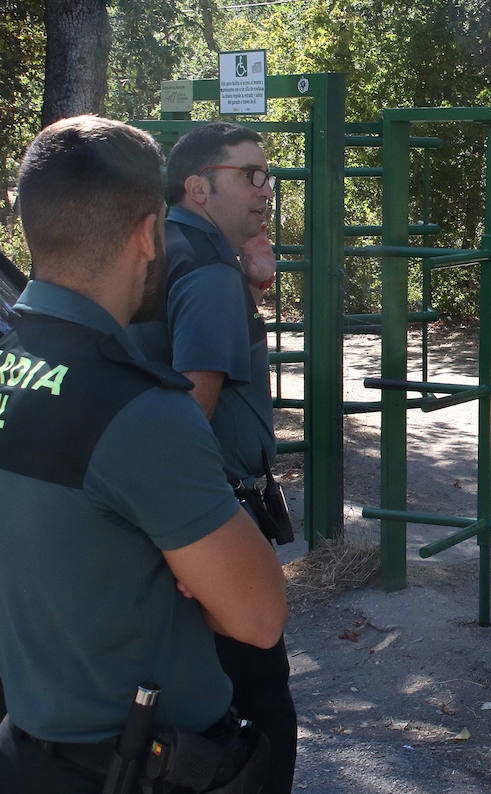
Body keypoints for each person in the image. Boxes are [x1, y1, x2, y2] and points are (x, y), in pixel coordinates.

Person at [0, 116, 287, 791]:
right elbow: (257, 615)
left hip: (30, 748)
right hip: (139, 765)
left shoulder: (13, 366)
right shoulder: (139, 411)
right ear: (147, 233)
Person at [129, 121, 297, 794]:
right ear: (199, 187)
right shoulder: (205, 274)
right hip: (208, 510)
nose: (266, 188)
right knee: (260, 695)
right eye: (249, 174)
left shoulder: (150, 252)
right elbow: (189, 416)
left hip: (154, 511)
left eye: (268, 174)